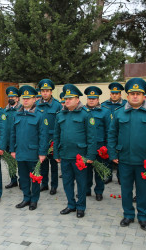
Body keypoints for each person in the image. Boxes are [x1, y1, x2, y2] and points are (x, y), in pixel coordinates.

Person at [108, 78, 146, 231]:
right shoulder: (119, 113)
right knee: (126, 190)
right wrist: (113, 153)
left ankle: (143, 217)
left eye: (138, 94)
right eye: (132, 93)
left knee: (144, 191)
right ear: (127, 96)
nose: (135, 96)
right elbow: (112, 135)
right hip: (125, 160)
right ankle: (128, 215)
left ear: (143, 96)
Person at [54, 84, 97, 218]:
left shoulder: (86, 114)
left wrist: (90, 155)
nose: (67, 101)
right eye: (65, 99)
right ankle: (71, 204)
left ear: (77, 100)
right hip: (65, 154)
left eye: (70, 98)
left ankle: (81, 206)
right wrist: (56, 153)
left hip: (80, 156)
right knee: (67, 181)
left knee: (81, 182)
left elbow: (91, 136)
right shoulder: (60, 115)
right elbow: (56, 135)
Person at [10, 85, 48, 210]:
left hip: (33, 152)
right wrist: (12, 149)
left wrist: (42, 153)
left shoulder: (40, 115)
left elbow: (43, 136)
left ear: (34, 99)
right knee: (23, 177)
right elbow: (13, 133)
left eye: (28, 98)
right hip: (20, 152)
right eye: (23, 98)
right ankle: (26, 198)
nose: (25, 100)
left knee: (35, 177)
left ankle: (34, 200)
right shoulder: (17, 114)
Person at [84, 86, 111, 201]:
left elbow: (109, 131)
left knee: (99, 171)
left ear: (98, 99)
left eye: (94, 98)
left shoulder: (105, 111)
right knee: (86, 171)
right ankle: (86, 190)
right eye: (89, 98)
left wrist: (107, 147)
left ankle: (99, 191)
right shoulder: (83, 111)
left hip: (100, 147)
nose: (91, 100)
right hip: (85, 147)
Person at [36, 79, 62, 195]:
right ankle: (44, 183)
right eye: (43, 91)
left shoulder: (57, 105)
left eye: (47, 91)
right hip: (42, 139)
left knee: (54, 165)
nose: (45, 93)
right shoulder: (36, 104)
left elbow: (60, 123)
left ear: (51, 92)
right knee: (43, 164)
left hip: (53, 139)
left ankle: (54, 185)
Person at [101, 82, 127, 184]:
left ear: (120, 94)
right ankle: (108, 175)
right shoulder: (104, 105)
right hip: (108, 134)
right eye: (113, 93)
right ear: (110, 94)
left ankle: (120, 177)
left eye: (117, 93)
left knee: (120, 156)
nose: (114, 95)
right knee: (107, 155)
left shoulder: (125, 105)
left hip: (121, 134)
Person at [4, 86, 22, 189]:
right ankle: (13, 179)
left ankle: (22, 180)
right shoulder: (4, 111)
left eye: (14, 96)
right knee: (10, 162)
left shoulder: (21, 109)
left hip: (18, 141)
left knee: (20, 162)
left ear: (17, 98)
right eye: (9, 96)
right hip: (8, 141)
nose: (11, 98)